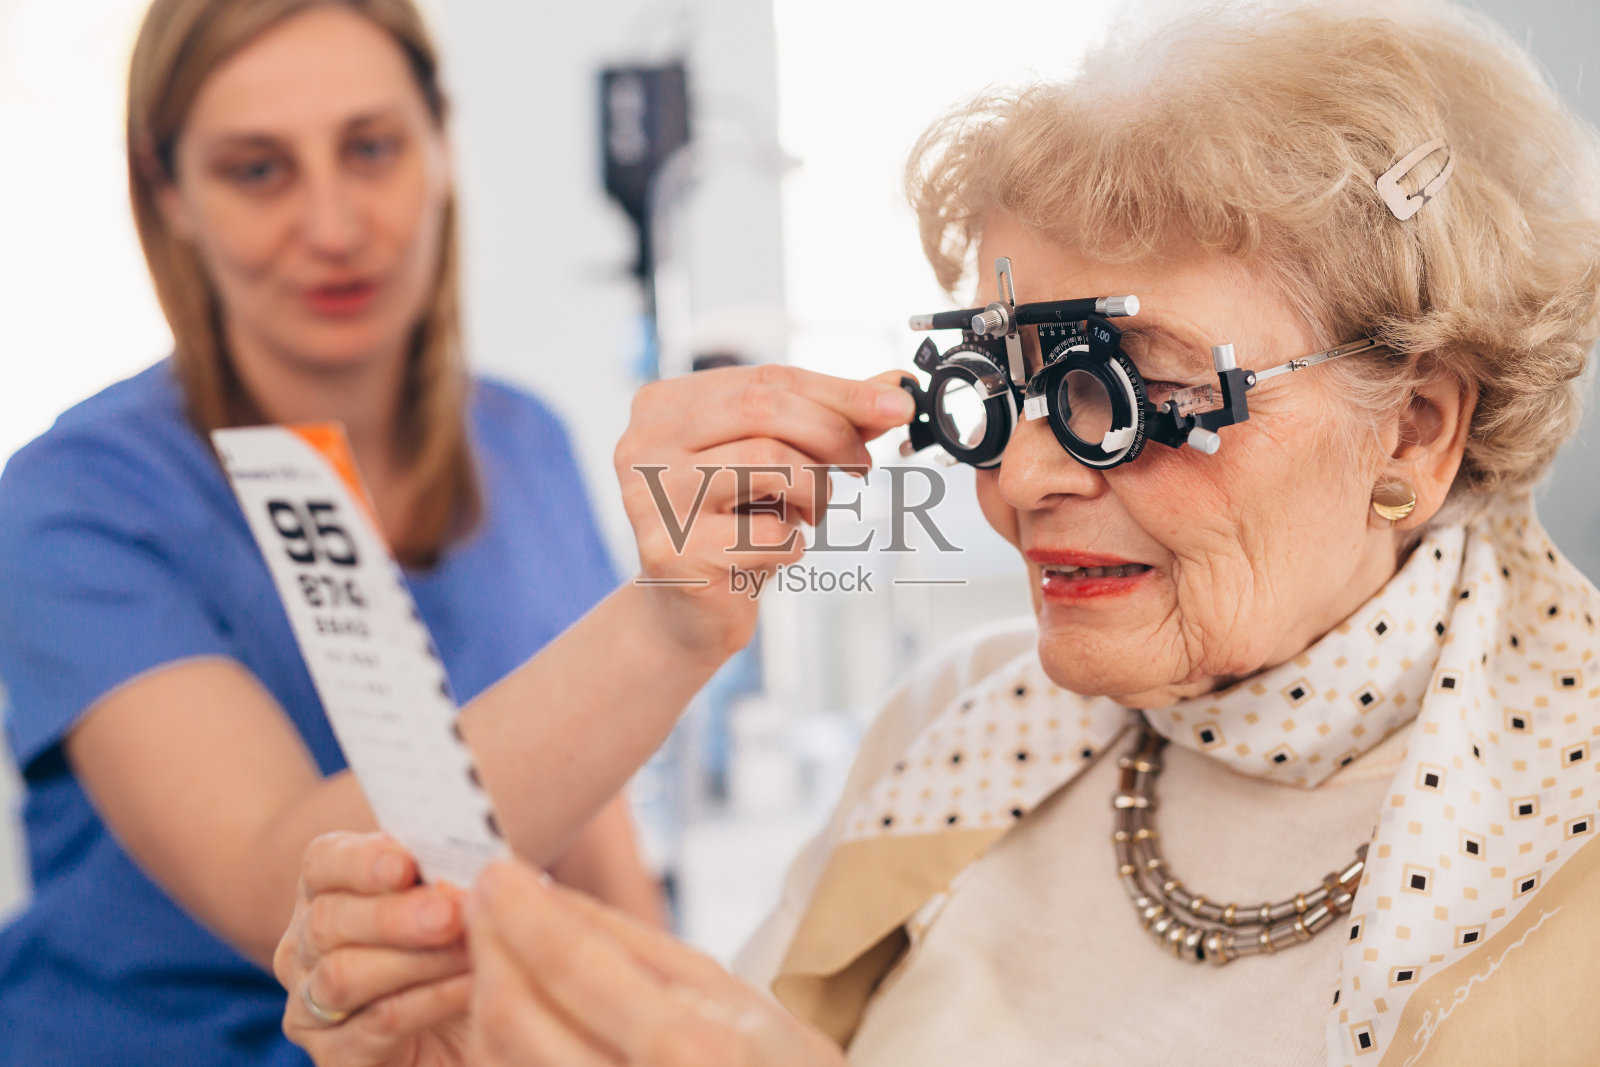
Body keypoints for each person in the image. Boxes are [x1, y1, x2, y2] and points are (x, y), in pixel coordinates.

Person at [280, 0, 1600, 1064]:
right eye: (1003, 389)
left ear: (1413, 430)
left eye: (1127, 386)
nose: (1020, 477)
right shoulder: (957, 729)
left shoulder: (1564, 845)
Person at [0, 1, 918, 1064]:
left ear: (440, 142)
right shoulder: (74, 499)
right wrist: (666, 626)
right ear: (169, 194)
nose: (333, 224)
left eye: (370, 148)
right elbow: (281, 888)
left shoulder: (523, 444)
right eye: (258, 170)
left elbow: (597, 850)